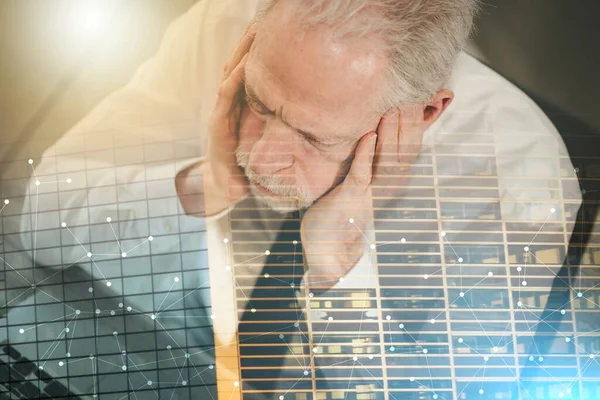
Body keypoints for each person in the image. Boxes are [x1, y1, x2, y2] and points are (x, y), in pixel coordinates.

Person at [4, 0, 582, 398]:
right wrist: (208, 183)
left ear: (425, 113)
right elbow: (40, 217)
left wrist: (338, 266)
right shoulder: (229, 22)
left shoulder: (514, 178)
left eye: (313, 136)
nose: (259, 156)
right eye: (258, 101)